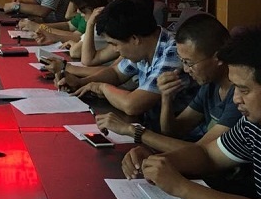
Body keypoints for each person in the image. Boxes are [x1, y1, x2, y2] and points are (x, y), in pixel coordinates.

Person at [122, 27, 261, 199]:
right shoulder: (252, 124)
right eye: (235, 88)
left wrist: (181, 187)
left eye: (244, 90)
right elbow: (208, 154)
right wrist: (158, 161)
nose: (236, 99)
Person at [96, 13, 239, 150]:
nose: (186, 69)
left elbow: (202, 152)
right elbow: (173, 131)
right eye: (182, 61)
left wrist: (132, 130)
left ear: (218, 58)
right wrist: (166, 97)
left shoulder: (238, 96)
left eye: (189, 63)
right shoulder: (210, 85)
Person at [57, 0, 195, 132]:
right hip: (148, 126)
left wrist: (102, 87)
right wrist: (81, 82)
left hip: (173, 136)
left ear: (134, 39)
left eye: (115, 44)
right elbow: (116, 74)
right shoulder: (143, 46)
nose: (116, 50)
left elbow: (132, 105)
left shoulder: (173, 51)